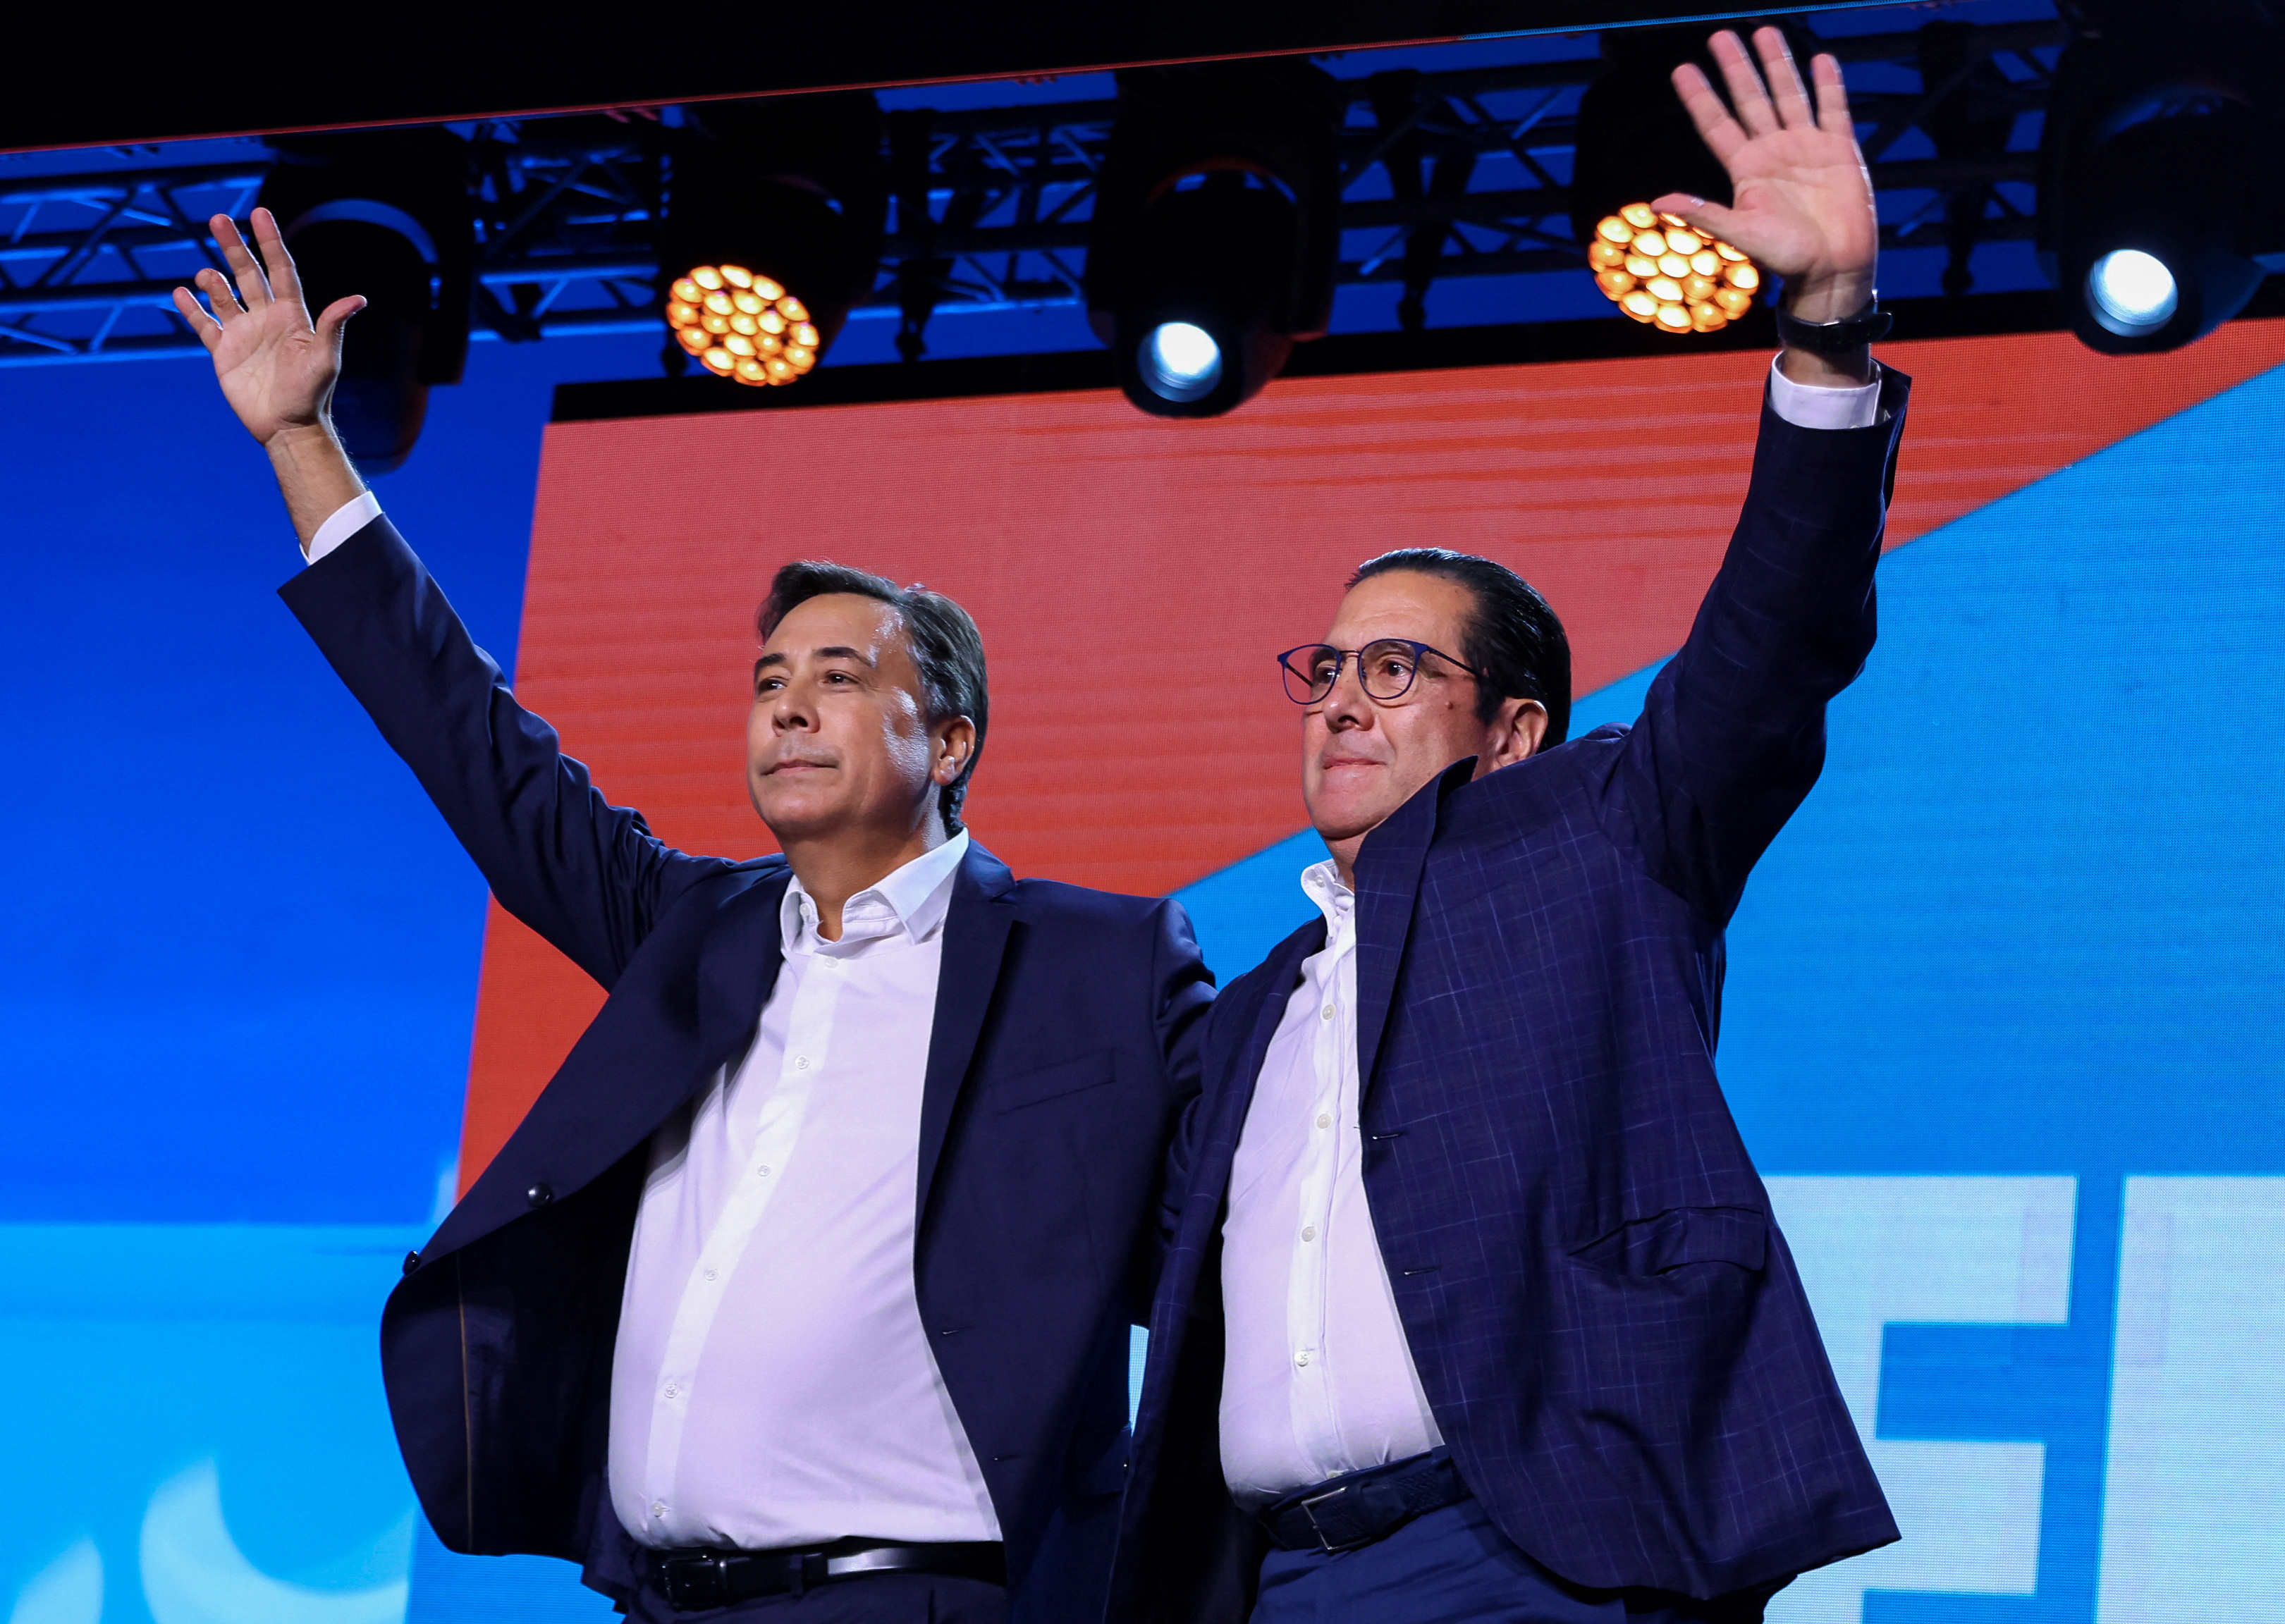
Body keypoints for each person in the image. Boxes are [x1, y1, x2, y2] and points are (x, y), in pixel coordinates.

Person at [173, 213, 1212, 1624]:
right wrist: (301, 439)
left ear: (950, 743)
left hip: (915, 1600)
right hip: (659, 1599)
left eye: (838, 675)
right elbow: (475, 747)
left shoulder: (1088, 961)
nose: (785, 702)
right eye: (768, 676)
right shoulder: (695, 927)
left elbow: (1223, 1239)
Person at [1115, 29, 1906, 1624]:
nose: (1339, 699)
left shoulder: (1598, 841)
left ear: (1516, 733)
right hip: (1269, 1585)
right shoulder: (1252, 1012)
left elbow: (1770, 644)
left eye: (1398, 668)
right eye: (1326, 667)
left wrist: (1825, 328)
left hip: (1527, 1560)